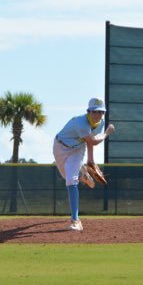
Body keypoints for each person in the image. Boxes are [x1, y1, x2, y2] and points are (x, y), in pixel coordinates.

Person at [53, 97, 115, 231]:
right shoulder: (81, 123)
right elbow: (93, 141)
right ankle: (83, 175)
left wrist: (90, 161)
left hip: (77, 150)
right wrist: (106, 134)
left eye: (101, 112)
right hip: (60, 147)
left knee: (70, 180)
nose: (97, 115)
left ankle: (75, 220)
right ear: (88, 111)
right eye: (94, 112)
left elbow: (89, 141)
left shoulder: (100, 122)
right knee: (67, 177)